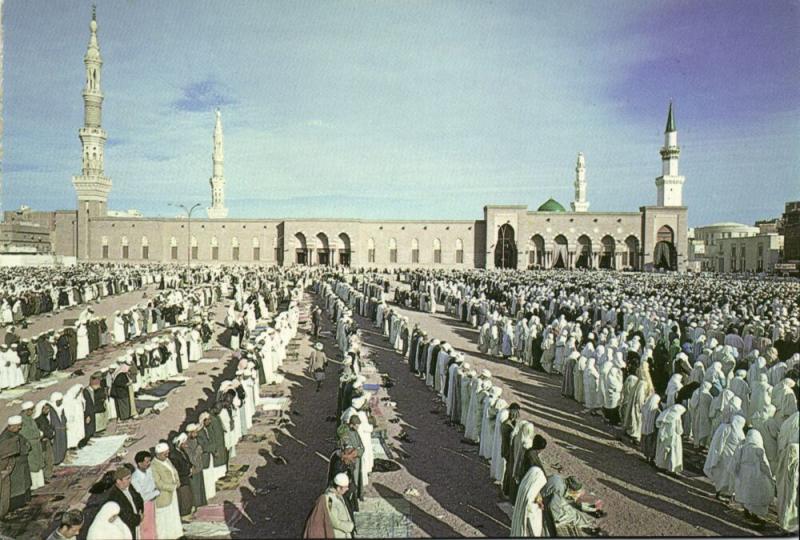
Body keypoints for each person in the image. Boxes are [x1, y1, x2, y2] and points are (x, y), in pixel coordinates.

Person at [732, 429, 776, 523]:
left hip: (744, 473)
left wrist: (736, 473)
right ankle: (754, 515)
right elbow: (764, 464)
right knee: (755, 494)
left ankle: (746, 511)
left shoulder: (742, 447)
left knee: (746, 492)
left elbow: (736, 461)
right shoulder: (758, 449)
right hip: (756, 474)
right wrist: (769, 476)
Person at [703, 415, 746, 500]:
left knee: (728, 477)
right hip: (724, 457)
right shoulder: (727, 429)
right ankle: (720, 493)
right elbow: (720, 443)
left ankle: (727, 494)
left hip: (732, 458)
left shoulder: (739, 431)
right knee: (722, 476)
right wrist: (716, 456)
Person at [0, 415, 31, 517]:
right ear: (11, 426)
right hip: (13, 467)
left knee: (23, 486)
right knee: (14, 490)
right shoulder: (5, 437)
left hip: (20, 464)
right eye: (18, 426)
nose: (20, 428)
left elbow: (26, 443)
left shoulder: (16, 434)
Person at [151, 441, 183, 539]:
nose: (167, 455)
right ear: (159, 454)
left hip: (172, 493)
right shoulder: (154, 466)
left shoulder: (167, 460)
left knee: (173, 515)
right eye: (165, 454)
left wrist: (177, 481)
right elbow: (158, 483)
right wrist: (172, 487)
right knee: (163, 518)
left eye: (167, 453)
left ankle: (175, 534)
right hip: (163, 496)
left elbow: (174, 471)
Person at [105, 466, 143, 539]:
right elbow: (125, 516)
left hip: (136, 524)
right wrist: (139, 518)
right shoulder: (114, 496)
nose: (130, 480)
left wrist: (141, 510)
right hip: (127, 529)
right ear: (118, 481)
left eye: (130, 477)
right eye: (127, 478)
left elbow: (139, 498)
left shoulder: (129, 486)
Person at [510, 465, 547, 537]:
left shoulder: (526, 484)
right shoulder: (529, 493)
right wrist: (537, 507)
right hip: (527, 518)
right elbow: (530, 507)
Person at [130, 451, 158, 540]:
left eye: (149, 461)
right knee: (145, 528)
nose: (149, 463)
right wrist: (156, 493)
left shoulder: (149, 471)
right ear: (139, 463)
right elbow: (141, 496)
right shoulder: (135, 478)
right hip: (143, 505)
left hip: (152, 502)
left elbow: (153, 484)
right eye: (147, 462)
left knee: (153, 526)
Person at [654, 404, 686, 475]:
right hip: (674, 438)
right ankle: (672, 469)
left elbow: (658, 424)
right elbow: (679, 430)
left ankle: (661, 465)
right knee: (673, 454)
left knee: (663, 452)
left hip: (663, 437)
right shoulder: (677, 417)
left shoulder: (665, 414)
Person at [325, 473, 355, 538]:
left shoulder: (339, 495)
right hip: (337, 535)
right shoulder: (330, 499)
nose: (347, 489)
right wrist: (349, 526)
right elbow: (333, 521)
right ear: (338, 488)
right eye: (345, 487)